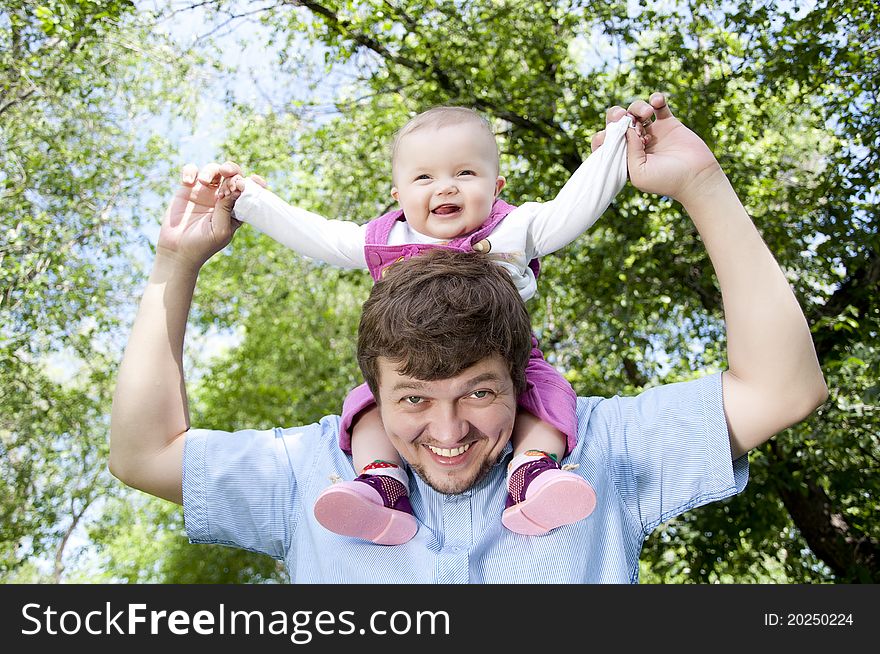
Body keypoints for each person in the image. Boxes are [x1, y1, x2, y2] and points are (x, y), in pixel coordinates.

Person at [109, 93, 827, 583]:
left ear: (517, 379)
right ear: (376, 384)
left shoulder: (599, 452)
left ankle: (531, 475)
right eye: (413, 399)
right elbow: (143, 454)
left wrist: (700, 182)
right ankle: (378, 488)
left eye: (480, 391)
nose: (448, 431)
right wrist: (175, 265)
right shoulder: (307, 474)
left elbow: (783, 389)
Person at [214, 106, 633, 544]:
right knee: (368, 409)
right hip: (413, 367)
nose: (446, 186)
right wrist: (251, 202)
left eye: (466, 172)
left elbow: (573, 210)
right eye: (424, 178)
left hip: (506, 363)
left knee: (545, 396)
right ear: (398, 195)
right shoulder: (390, 241)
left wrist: (614, 152)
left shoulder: (513, 229)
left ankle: (533, 472)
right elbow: (320, 237)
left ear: (496, 187)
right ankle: (381, 484)